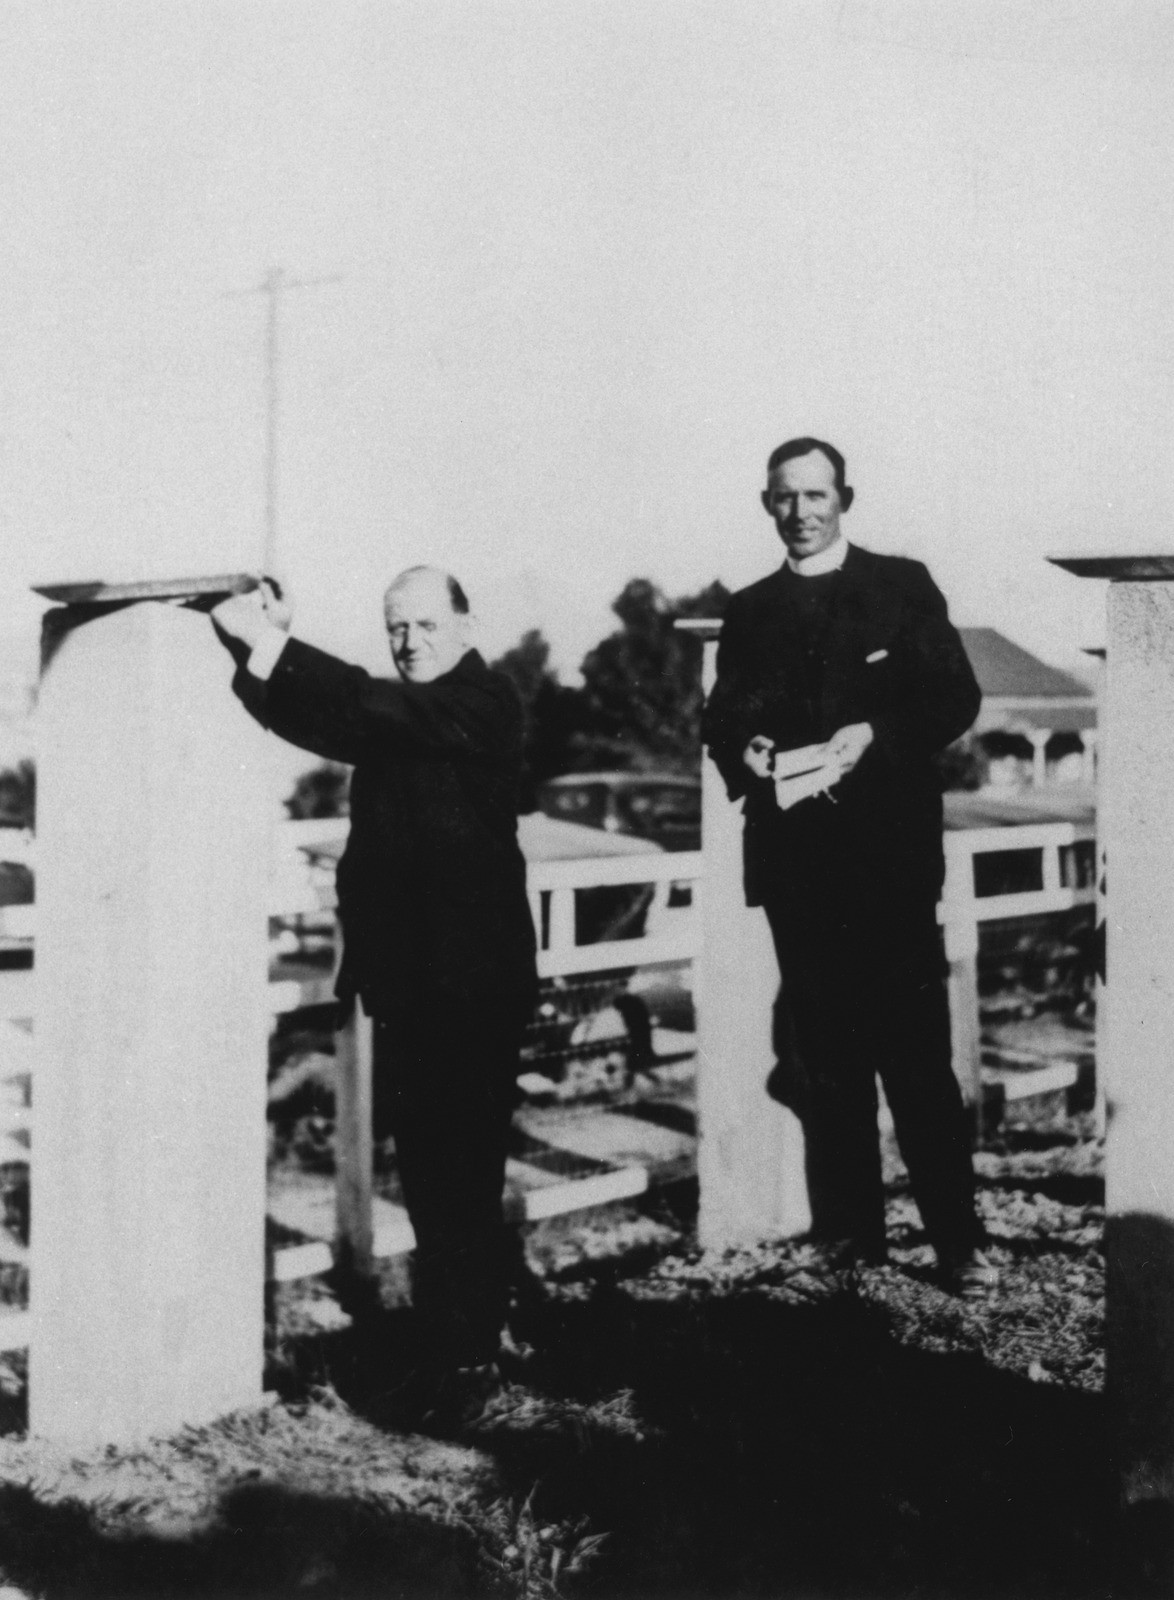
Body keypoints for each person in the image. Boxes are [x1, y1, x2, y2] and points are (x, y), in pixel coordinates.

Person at [212, 566, 538, 1418]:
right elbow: (320, 712)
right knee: (430, 1176)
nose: (410, 642)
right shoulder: (401, 715)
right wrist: (246, 647)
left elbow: (359, 701)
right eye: (396, 627)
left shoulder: (482, 701)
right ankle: (456, 1350)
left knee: (462, 1175)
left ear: (466, 627)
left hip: (473, 990)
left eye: (426, 626)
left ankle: (468, 1363)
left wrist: (273, 642)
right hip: (409, 989)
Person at [701, 437, 996, 1295]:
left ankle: (956, 1242)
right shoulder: (751, 611)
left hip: (889, 868)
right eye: (785, 498)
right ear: (767, 505)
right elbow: (722, 720)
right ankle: (850, 1240)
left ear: (845, 498)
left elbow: (954, 698)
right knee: (825, 1061)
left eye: (816, 495)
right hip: (797, 869)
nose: (801, 513)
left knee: (913, 1056)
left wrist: (875, 734)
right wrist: (746, 749)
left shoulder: (900, 586)